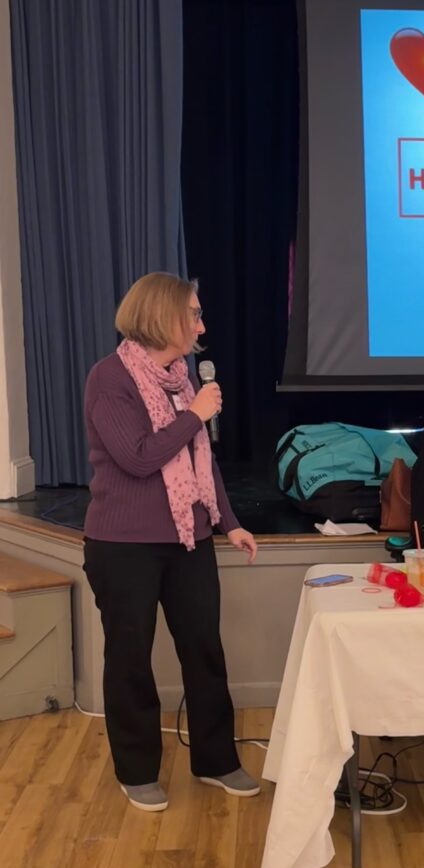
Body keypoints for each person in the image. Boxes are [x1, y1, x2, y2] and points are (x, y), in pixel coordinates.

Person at [83, 271, 260, 812]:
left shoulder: (182, 382)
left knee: (204, 650)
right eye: (194, 315)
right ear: (163, 317)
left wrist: (228, 522)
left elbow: (201, 461)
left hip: (189, 539)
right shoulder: (109, 379)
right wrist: (194, 415)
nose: (202, 326)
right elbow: (138, 457)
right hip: (123, 545)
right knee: (130, 658)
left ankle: (216, 760)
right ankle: (136, 771)